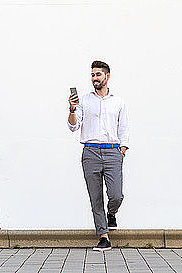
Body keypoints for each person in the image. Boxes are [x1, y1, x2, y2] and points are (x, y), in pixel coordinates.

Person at [68, 60, 130, 251]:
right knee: (95, 198)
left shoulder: (118, 101)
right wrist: (71, 109)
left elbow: (124, 128)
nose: (94, 78)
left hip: (113, 151)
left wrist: (122, 150)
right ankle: (104, 236)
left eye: (98, 74)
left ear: (107, 76)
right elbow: (73, 126)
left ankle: (112, 214)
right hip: (90, 152)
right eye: (93, 75)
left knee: (116, 195)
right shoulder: (84, 101)